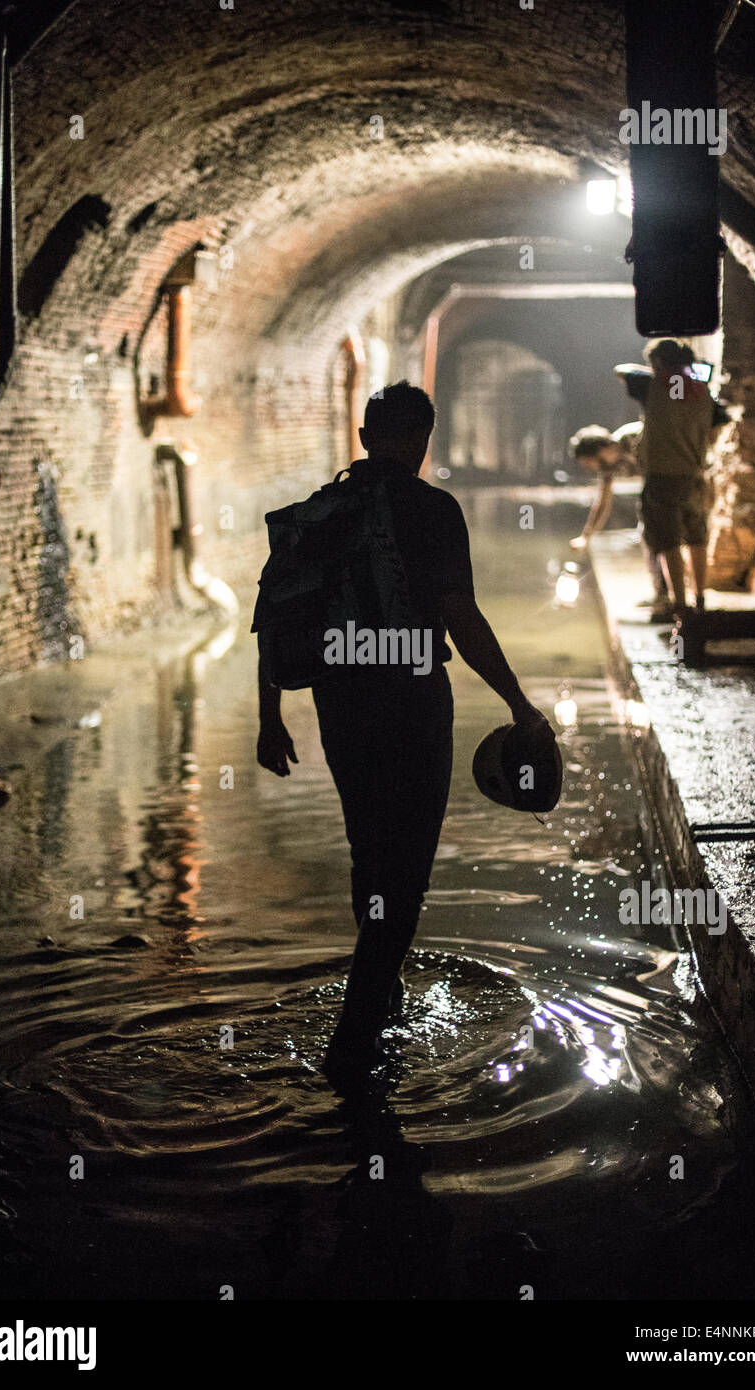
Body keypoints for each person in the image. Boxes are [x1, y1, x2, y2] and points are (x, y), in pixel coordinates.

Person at [256, 381, 550, 1081]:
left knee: (369, 851)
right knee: (407, 870)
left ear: (363, 437)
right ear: (423, 439)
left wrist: (269, 720)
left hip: (340, 704)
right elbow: (459, 614)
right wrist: (518, 703)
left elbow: (277, 622)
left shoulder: (317, 512)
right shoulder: (432, 508)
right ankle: (354, 1043)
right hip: (413, 700)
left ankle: (383, 998)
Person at [637, 339, 718, 615]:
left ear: (658, 363)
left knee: (668, 540)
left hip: (663, 477)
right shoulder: (702, 389)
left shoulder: (652, 385)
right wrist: (689, 371)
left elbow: (621, 371)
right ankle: (701, 599)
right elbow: (718, 422)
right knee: (696, 536)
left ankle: (680, 605)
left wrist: (657, 372)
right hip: (693, 475)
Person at [568, 423, 669, 609]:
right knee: (647, 534)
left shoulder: (633, 437)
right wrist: (586, 536)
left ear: (599, 450)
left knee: (663, 537)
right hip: (654, 488)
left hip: (670, 480)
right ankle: (662, 593)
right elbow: (603, 503)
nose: (589, 467)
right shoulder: (608, 467)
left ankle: (671, 596)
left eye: (588, 462)